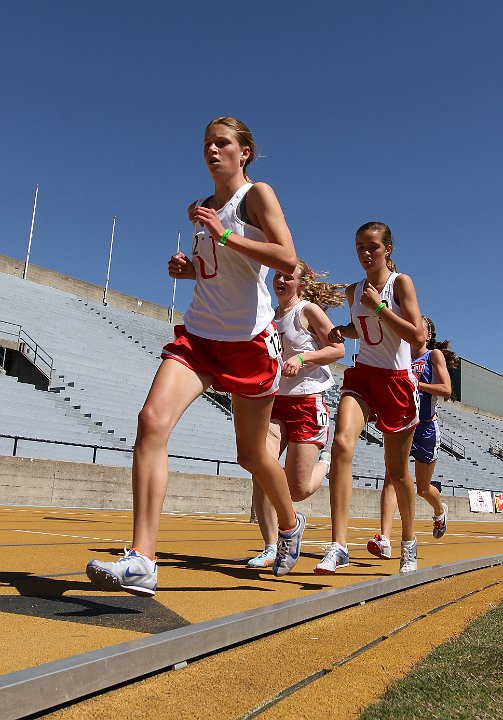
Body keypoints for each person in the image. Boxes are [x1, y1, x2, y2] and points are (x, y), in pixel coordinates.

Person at [86, 116, 306, 595]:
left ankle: (289, 522)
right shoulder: (203, 207)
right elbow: (219, 273)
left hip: (249, 343)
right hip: (200, 337)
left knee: (251, 454)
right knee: (150, 421)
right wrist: (189, 269)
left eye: (222, 143)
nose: (212, 150)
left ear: (243, 151)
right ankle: (143, 557)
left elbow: (287, 258)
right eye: (207, 143)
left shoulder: (256, 195)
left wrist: (223, 236)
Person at [314, 221, 425, 576]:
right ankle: (339, 544)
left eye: (372, 247)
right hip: (362, 376)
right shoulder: (353, 291)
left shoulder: (400, 283)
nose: (365, 253)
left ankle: (408, 542)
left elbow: (418, 338)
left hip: (397, 381)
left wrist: (379, 308)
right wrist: (340, 330)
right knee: (342, 444)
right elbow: (362, 331)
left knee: (396, 473)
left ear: (387, 249)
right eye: (360, 246)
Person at [247, 259, 346, 568]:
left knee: (298, 489)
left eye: (287, 277)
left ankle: (324, 465)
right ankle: (270, 545)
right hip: (274, 401)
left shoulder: (307, 311)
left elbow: (339, 349)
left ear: (302, 283)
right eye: (277, 275)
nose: (280, 281)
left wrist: (303, 358)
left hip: (307, 402)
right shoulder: (269, 316)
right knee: (262, 471)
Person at [367, 316, 458, 559]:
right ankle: (384, 538)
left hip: (426, 428)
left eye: (419, 327)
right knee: (391, 477)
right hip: (403, 424)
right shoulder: (400, 357)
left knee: (423, 489)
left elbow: (447, 390)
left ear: (427, 335)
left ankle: (439, 510)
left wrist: (416, 384)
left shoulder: (433, 356)